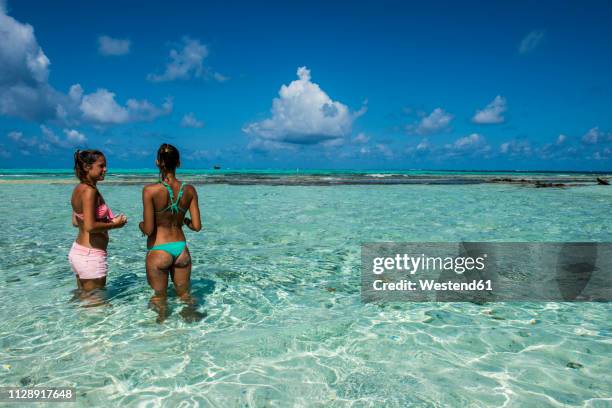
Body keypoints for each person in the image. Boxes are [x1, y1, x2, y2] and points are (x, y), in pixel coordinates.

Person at [139, 143, 203, 322]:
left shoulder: (150, 191)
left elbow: (149, 229)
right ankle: (191, 322)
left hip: (159, 249)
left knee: (160, 298)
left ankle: (161, 333)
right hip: (181, 250)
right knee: (185, 296)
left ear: (158, 162)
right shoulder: (189, 190)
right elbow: (197, 226)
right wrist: (185, 221)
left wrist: (140, 225)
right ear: (179, 163)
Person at [69, 150, 128, 294]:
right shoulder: (90, 191)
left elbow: (76, 221)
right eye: (101, 166)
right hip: (91, 256)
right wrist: (116, 224)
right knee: (97, 310)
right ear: (87, 167)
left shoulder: (79, 188)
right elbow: (90, 226)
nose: (105, 169)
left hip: (79, 252)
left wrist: (105, 221)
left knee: (84, 302)